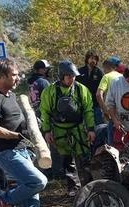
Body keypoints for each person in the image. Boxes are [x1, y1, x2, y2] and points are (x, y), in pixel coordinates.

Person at [0, 58, 47, 207]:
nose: (18, 78)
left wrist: (32, 126)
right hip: (6, 153)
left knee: (32, 195)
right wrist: (16, 136)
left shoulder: (11, 96)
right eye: (14, 75)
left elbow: (15, 120)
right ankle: (6, 199)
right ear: (2, 76)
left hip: (22, 151)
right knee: (38, 181)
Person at [40, 60, 95, 196]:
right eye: (69, 76)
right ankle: (73, 188)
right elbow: (45, 112)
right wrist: (47, 131)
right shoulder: (50, 91)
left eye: (74, 76)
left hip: (78, 129)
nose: (72, 79)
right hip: (60, 131)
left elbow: (88, 110)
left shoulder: (81, 90)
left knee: (84, 158)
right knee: (67, 160)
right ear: (62, 76)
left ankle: (90, 186)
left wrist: (91, 129)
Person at [96, 56, 123, 145]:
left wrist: (105, 111)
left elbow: (98, 95)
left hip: (112, 114)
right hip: (124, 114)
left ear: (105, 67)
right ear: (115, 67)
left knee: (111, 142)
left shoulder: (106, 77)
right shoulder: (122, 77)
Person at [76, 50, 104, 125]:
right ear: (87, 59)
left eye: (95, 59)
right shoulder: (79, 71)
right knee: (81, 125)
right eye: (91, 58)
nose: (93, 61)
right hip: (82, 104)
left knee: (99, 126)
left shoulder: (99, 72)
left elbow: (102, 89)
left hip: (95, 104)